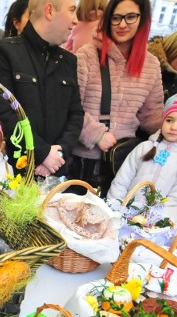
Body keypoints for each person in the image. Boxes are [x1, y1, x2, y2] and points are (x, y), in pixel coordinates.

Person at [0, 0, 83, 178]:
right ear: (50, 10)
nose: (76, 20)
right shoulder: (5, 52)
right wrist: (42, 153)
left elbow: (75, 115)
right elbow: (2, 113)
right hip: (12, 174)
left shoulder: (69, 61)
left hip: (56, 173)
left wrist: (58, 154)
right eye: (72, 10)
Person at [72, 0, 163, 192]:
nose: (122, 24)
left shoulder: (151, 64)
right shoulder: (87, 55)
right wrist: (95, 133)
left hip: (124, 161)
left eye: (130, 17)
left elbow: (150, 115)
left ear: (142, 19)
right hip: (83, 160)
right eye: (116, 18)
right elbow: (69, 106)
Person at [107, 93, 177, 206]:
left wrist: (153, 216)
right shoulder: (144, 148)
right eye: (169, 120)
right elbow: (122, 180)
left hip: (153, 220)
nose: (174, 127)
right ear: (162, 121)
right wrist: (114, 207)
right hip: (122, 211)